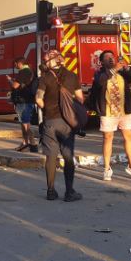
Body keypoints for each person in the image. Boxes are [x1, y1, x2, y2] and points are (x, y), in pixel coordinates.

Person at [36, 50, 84, 202]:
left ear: (52, 61)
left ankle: (51, 191)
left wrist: (46, 108)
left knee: (51, 157)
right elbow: (80, 98)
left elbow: (38, 99)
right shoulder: (72, 76)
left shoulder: (45, 78)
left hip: (50, 121)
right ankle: (69, 192)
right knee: (68, 156)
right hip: (68, 124)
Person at [89, 50, 131, 181]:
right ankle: (107, 168)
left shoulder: (122, 72)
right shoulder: (100, 74)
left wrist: (126, 67)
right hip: (108, 112)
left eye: (111, 57)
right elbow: (100, 82)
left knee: (129, 136)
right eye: (107, 57)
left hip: (124, 111)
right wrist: (115, 69)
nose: (110, 59)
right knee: (108, 138)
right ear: (101, 62)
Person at [8, 56, 39, 152]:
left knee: (25, 124)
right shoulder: (31, 71)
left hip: (24, 101)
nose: (15, 66)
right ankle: (26, 143)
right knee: (24, 123)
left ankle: (32, 144)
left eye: (15, 64)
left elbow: (15, 85)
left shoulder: (23, 72)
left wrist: (10, 80)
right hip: (29, 100)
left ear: (19, 63)